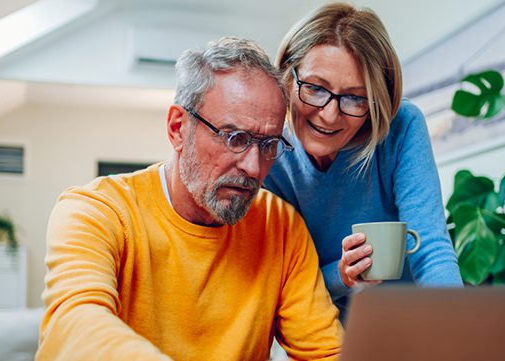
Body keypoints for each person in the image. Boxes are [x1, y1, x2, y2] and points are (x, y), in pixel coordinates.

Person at [36, 37, 342, 361]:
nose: (254, 167)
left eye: (268, 145)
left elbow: (326, 353)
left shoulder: (280, 226)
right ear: (178, 128)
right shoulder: (95, 211)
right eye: (235, 138)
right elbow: (75, 326)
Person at [264, 3, 463, 318]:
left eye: (355, 98)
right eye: (315, 88)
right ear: (287, 77)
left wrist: (461, 329)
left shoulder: (401, 127)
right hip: (325, 336)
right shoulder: (267, 155)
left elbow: (432, 252)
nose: (329, 115)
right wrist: (341, 275)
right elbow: (281, 288)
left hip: (412, 324)